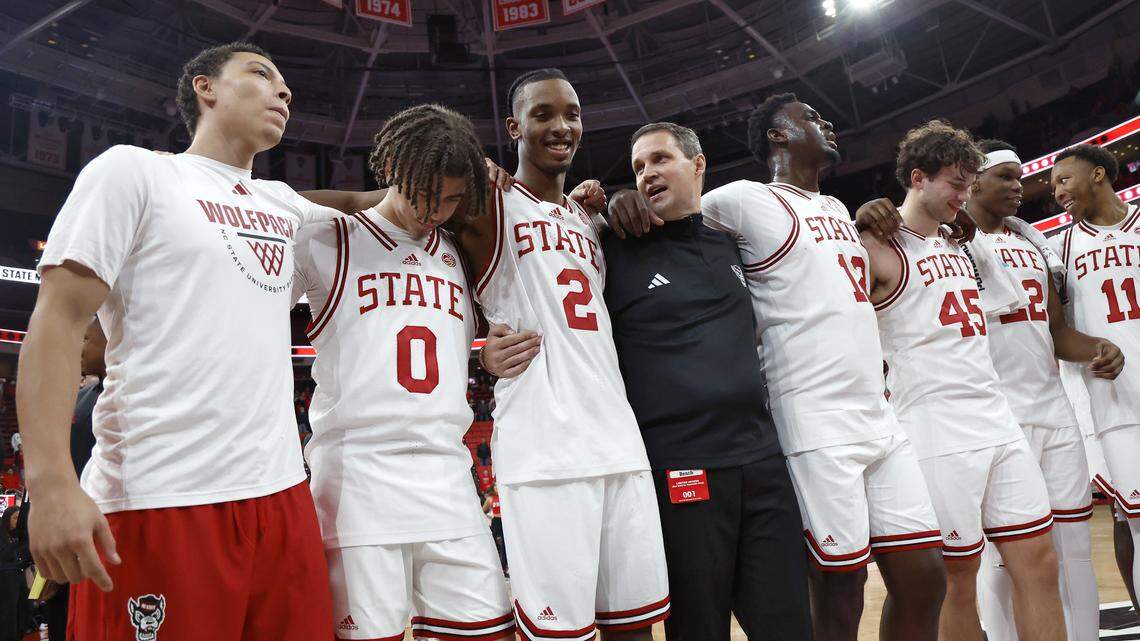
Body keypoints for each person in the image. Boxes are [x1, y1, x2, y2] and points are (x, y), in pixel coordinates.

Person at [308, 68, 669, 641]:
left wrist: (619, 197)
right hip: (545, 449)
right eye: (544, 114)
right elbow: (387, 207)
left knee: (634, 627)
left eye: (572, 113)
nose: (562, 126)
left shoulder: (589, 218)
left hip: (619, 440)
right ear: (512, 127)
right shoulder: (485, 203)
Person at [17, 42, 342, 640]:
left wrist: (468, 173)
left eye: (286, 84)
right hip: (160, 496)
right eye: (262, 74)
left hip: (284, 497)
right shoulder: (135, 170)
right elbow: (58, 323)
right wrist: (51, 483)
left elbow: (386, 208)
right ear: (205, 87)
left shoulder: (283, 203)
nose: (284, 91)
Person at [610, 93, 945, 641]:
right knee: (837, 588)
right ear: (777, 135)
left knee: (926, 576)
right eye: (810, 116)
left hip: (869, 415)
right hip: (805, 419)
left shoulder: (836, 208)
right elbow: (676, 210)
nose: (827, 121)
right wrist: (622, 200)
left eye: (657, 160)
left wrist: (873, 216)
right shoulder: (743, 200)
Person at [293, 103, 519, 641]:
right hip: (357, 480)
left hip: (447, 474)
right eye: (425, 195)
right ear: (391, 169)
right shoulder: (331, 236)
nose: (435, 211)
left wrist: (481, 357)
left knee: (489, 631)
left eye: (451, 199)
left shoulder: (458, 252)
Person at [602, 121, 810, 641]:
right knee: (699, 631)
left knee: (789, 627)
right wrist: (602, 199)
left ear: (698, 165)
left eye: (659, 159)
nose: (648, 173)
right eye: (638, 167)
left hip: (763, 462)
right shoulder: (613, 248)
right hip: (681, 470)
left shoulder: (733, 244)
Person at [860, 120, 1065, 641]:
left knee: (1039, 562)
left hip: (997, 417)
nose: (964, 196)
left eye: (970, 185)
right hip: (935, 429)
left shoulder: (964, 242)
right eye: (956, 183)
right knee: (959, 578)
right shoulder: (875, 246)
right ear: (917, 178)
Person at [963, 139, 1123, 641]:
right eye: (1007, 177)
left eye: (1019, 178)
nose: (1020, 187)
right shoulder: (947, 244)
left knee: (1073, 548)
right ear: (973, 181)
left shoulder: (1035, 244)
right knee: (1003, 560)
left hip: (1052, 410)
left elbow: (1057, 333)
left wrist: (1098, 346)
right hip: (992, 418)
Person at [1050, 143, 1140, 617]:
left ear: (1099, 175)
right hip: (1114, 398)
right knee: (1132, 519)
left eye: (1064, 180)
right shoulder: (1058, 249)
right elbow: (1055, 329)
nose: (1057, 193)